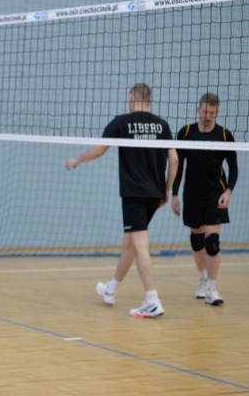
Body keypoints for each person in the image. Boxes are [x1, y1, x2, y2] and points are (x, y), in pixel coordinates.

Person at [66, 82, 178, 319]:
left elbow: (99, 150)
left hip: (134, 194)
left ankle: (152, 300)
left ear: (131, 98)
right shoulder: (162, 124)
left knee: (139, 245)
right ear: (150, 101)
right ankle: (111, 289)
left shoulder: (122, 122)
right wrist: (167, 190)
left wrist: (77, 160)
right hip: (154, 193)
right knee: (130, 242)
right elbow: (175, 159)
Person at [171, 92, 238, 306]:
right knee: (197, 239)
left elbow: (234, 167)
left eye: (211, 112)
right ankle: (202, 279)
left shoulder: (224, 135)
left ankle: (211, 289)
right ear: (198, 109)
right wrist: (174, 194)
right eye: (204, 111)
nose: (207, 116)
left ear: (217, 112)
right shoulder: (186, 133)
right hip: (192, 193)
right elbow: (178, 165)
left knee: (212, 242)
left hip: (215, 193)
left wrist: (228, 191)